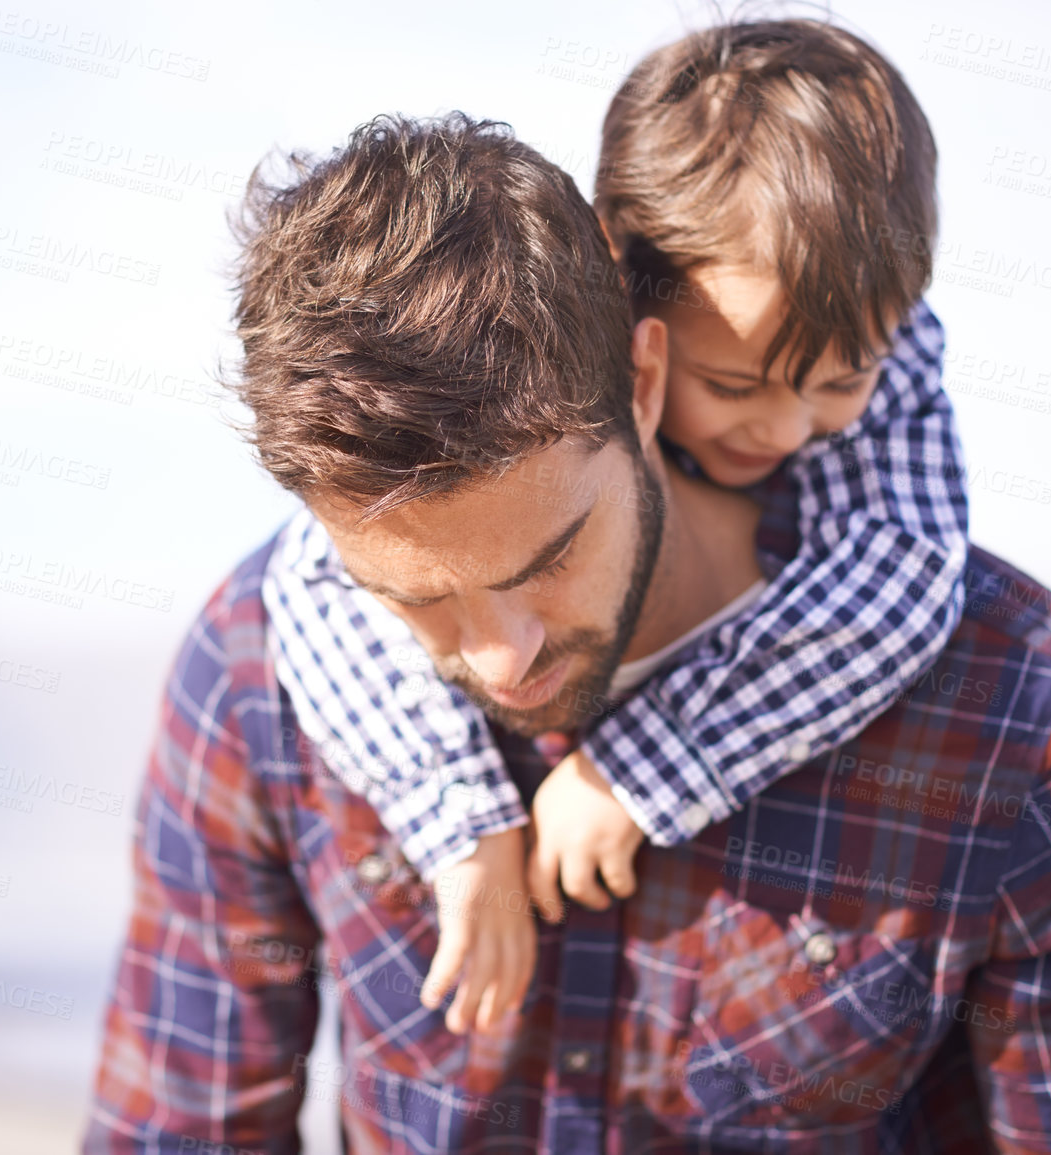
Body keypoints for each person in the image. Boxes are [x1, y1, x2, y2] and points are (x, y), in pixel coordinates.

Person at [84, 112, 1051, 1152]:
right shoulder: (254, 673)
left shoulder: (1018, 702)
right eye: (415, 600)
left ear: (643, 382)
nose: (501, 659)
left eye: (547, 563)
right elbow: (176, 1131)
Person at [262, 20, 968, 1033]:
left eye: (843, 380)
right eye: (731, 383)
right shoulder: (542, 387)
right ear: (624, 290)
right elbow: (313, 579)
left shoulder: (871, 339)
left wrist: (643, 767)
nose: (786, 426)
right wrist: (464, 823)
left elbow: (902, 579)